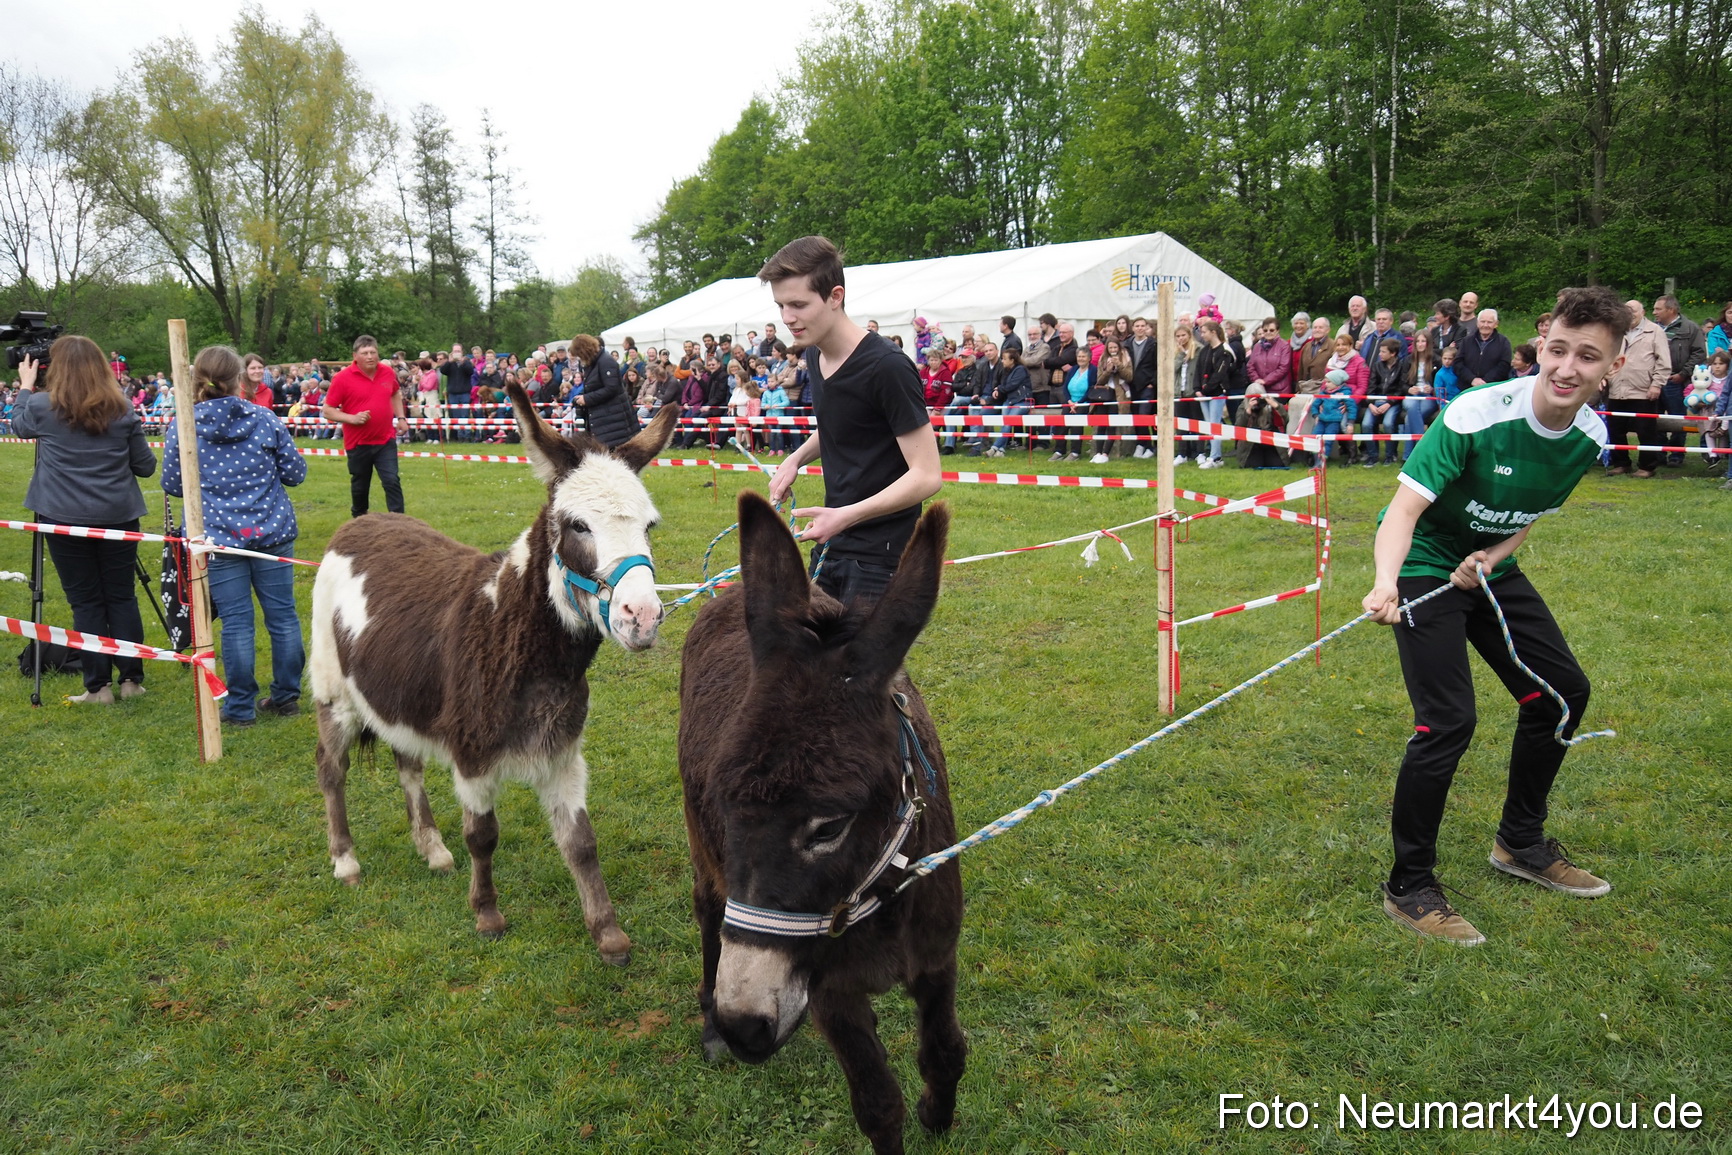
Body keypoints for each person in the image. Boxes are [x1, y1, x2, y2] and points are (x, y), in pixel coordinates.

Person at [1361, 285, 1628, 946]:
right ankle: (1410, 885)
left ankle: (1520, 843)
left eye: (1587, 357)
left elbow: (1527, 514)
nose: (1567, 367)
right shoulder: (1477, 413)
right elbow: (1404, 510)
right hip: (1423, 558)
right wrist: (1386, 582)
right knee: (1449, 718)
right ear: (1540, 344)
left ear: (1613, 366)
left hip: (1487, 565)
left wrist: (1491, 555)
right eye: (1558, 349)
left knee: (1562, 694)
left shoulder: (1589, 434)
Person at [762, 235, 941, 605]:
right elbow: (839, 426)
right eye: (780, 305)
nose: (786, 318)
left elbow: (927, 475)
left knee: (864, 664)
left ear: (835, 296)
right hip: (833, 539)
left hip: (881, 556)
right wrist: (795, 459)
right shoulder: (814, 354)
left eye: (798, 304)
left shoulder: (887, 367)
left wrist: (845, 516)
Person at [162, 345, 307, 727]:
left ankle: (242, 707)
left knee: (238, 622)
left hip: (222, 537)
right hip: (269, 530)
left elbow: (173, 484)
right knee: (282, 616)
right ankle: (285, 696)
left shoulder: (184, 424)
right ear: (239, 378)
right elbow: (295, 472)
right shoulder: (265, 419)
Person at [12, 336, 157, 704]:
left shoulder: (43, 406)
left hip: (62, 518)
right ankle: (131, 680)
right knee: (121, 597)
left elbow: (19, 425)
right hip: (117, 517)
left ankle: (99, 687)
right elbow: (145, 466)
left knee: (87, 602)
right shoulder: (122, 408)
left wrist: (26, 388)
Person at [323, 334, 407, 517]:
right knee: (360, 486)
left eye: (373, 352)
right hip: (358, 443)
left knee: (392, 480)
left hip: (385, 439)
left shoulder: (387, 372)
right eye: (365, 353)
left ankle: (400, 522)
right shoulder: (342, 378)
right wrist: (351, 418)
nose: (369, 356)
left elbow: (394, 393)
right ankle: (359, 520)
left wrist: (401, 417)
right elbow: (328, 410)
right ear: (355, 356)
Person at [1603, 300, 1670, 477]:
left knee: (1646, 431)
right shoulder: (1616, 331)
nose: (1630, 314)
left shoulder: (1655, 331)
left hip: (1643, 390)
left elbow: (1663, 362)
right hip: (1617, 388)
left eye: (1633, 310)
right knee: (1615, 429)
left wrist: (1656, 384)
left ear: (1643, 312)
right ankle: (1621, 463)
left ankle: (1647, 467)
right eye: (1626, 311)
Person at [1654, 294, 1705, 466]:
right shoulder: (1652, 329)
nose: (1654, 312)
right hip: (1654, 381)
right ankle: (1658, 454)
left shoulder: (1690, 328)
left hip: (1676, 381)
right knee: (1655, 418)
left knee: (1678, 420)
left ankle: (1676, 456)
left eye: (1658, 309)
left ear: (1671, 309)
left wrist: (1683, 373)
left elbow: (1699, 353)